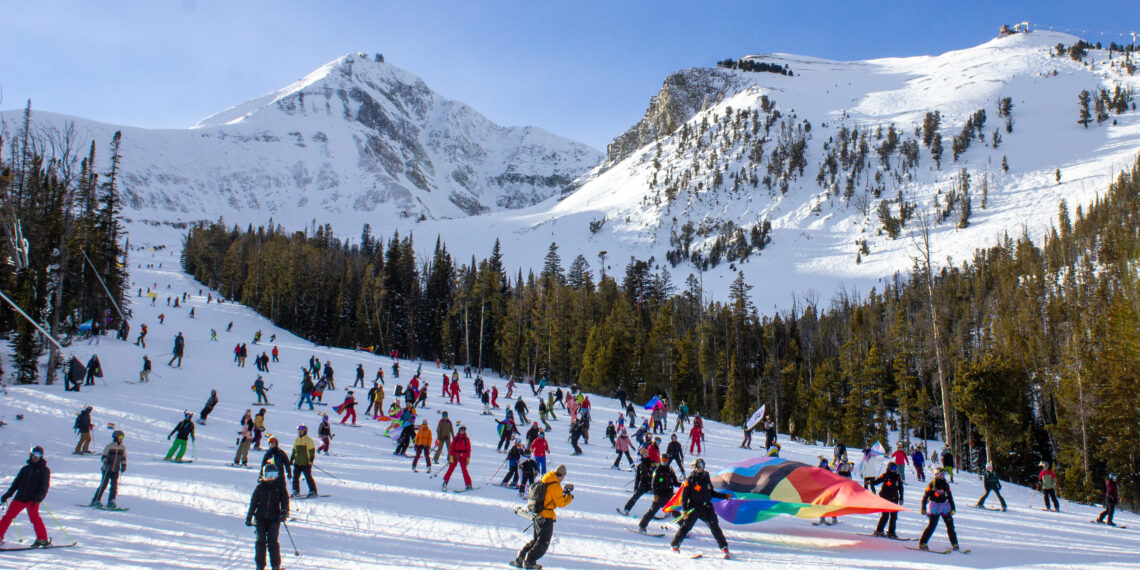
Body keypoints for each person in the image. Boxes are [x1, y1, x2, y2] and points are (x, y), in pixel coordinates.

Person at [511, 464, 573, 570]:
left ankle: (520, 558)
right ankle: (529, 561)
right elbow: (561, 503)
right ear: (562, 475)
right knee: (543, 542)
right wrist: (569, 497)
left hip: (537, 514)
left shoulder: (545, 480)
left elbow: (549, 497)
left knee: (537, 540)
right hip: (546, 516)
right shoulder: (555, 485)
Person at [670, 458, 731, 559]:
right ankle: (675, 545)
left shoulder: (706, 478)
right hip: (694, 507)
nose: (700, 469)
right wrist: (684, 510)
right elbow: (684, 497)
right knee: (686, 527)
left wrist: (724, 496)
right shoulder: (690, 480)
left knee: (714, 526)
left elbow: (711, 493)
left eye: (701, 466)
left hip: (706, 506)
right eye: (698, 467)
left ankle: (724, 547)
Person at [0, 446, 52, 548]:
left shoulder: (44, 470)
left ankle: (42, 539)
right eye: (33, 454)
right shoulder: (25, 469)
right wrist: (8, 494)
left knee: (35, 518)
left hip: (32, 499)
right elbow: (16, 483)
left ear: (41, 456)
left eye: (37, 455)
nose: (35, 457)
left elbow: (45, 486)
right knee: (8, 516)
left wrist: (39, 497)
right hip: (20, 497)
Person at [246, 461, 289, 570]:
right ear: (264, 475)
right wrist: (249, 516)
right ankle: (260, 566)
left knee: (272, 542)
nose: (270, 478)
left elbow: (285, 501)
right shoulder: (260, 487)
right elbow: (254, 503)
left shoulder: (279, 487)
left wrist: (284, 512)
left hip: (274, 518)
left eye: (273, 475)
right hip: (260, 518)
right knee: (260, 542)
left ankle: (275, 565)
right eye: (268, 475)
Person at [918, 468, 959, 551]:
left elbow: (950, 497)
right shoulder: (931, 485)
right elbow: (925, 497)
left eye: (943, 475)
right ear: (936, 475)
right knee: (932, 525)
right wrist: (923, 507)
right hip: (934, 506)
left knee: (950, 525)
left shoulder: (946, 485)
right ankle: (923, 542)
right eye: (940, 474)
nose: (942, 476)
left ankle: (955, 543)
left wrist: (953, 508)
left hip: (944, 506)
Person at [638, 459, 680, 533]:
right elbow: (653, 484)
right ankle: (642, 526)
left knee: (675, 512)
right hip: (660, 495)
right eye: (663, 460)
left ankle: (683, 529)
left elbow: (675, 483)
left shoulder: (670, 471)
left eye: (666, 460)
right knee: (652, 511)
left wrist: (684, 484)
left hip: (669, 496)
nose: (664, 462)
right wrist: (655, 494)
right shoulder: (657, 471)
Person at [91, 430, 127, 508]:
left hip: (116, 469)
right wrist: (107, 460)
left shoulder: (123, 447)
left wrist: (123, 465)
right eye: (121, 437)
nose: (122, 439)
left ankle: (112, 500)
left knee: (114, 486)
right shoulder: (109, 446)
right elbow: (103, 457)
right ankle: (96, 500)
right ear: (116, 437)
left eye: (123, 437)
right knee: (104, 484)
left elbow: (123, 457)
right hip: (107, 469)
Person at [871, 463, 904, 538]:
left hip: (894, 498)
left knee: (894, 516)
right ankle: (879, 530)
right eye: (892, 469)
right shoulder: (885, 475)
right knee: (885, 516)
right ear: (889, 468)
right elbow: (875, 483)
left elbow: (901, 488)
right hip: (885, 498)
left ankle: (891, 532)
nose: (894, 470)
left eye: (895, 469)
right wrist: (871, 482)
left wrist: (901, 498)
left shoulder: (898, 477)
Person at [621, 450, 655, 515]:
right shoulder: (640, 466)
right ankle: (627, 508)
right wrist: (636, 486)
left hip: (652, 483)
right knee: (636, 496)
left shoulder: (653, 463)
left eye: (647, 454)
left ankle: (669, 510)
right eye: (645, 454)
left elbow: (657, 474)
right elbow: (637, 477)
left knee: (660, 499)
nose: (647, 455)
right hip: (643, 484)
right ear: (642, 455)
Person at [442, 425, 473, 491]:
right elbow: (452, 448)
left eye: (463, 430)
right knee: (451, 468)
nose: (462, 431)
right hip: (455, 456)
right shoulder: (455, 438)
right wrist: (451, 456)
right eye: (461, 430)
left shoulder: (466, 439)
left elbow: (468, 449)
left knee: (464, 470)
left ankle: (468, 484)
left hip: (463, 456)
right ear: (459, 431)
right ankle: (445, 481)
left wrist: (468, 457)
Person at [290, 425, 318, 497]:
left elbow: (312, 451)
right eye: (298, 431)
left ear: (305, 431)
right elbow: (294, 450)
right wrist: (292, 458)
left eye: (301, 431)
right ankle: (295, 490)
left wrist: (311, 460)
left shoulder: (309, 440)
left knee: (308, 477)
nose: (299, 432)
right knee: (295, 477)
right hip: (297, 462)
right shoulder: (297, 440)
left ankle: (313, 491)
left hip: (306, 463)